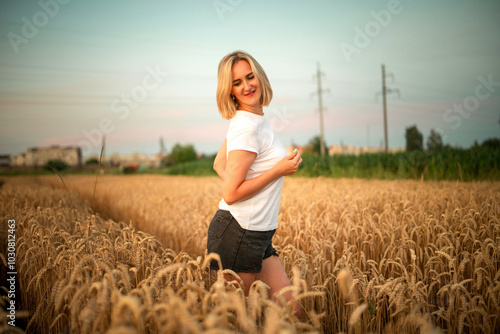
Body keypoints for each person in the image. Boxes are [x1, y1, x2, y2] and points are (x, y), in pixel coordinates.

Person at [207, 50, 302, 316]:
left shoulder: (250, 121)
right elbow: (231, 192)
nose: (247, 86)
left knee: (292, 312)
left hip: (258, 234)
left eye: (250, 77)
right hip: (239, 233)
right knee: (238, 320)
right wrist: (277, 170)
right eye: (237, 83)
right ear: (230, 91)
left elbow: (218, 164)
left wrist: (278, 168)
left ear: (259, 76)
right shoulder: (247, 127)